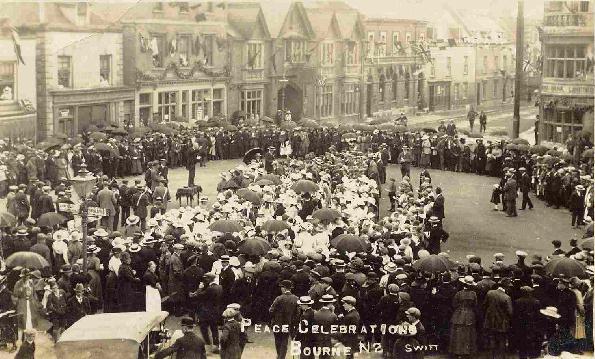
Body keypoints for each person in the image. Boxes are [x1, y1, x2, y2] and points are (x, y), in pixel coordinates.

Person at [269, 279, 299, 359]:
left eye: (281, 287)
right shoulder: (296, 298)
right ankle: (281, 356)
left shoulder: (279, 298)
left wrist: (274, 318)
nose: (281, 289)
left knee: (278, 340)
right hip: (289, 323)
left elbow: (271, 310)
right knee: (284, 341)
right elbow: (298, 313)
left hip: (277, 323)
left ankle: (279, 356)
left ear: (284, 288)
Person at [449, 276, 478, 357]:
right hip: (470, 315)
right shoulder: (473, 294)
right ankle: (467, 351)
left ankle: (458, 351)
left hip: (458, 315)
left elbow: (454, 304)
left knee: (458, 334)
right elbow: (475, 305)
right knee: (469, 334)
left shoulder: (459, 293)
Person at [483, 282, 512, 359]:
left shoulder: (490, 293)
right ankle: (502, 357)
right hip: (502, 322)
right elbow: (510, 312)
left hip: (490, 320)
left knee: (492, 338)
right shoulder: (506, 297)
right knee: (502, 340)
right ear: (505, 287)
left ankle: (492, 356)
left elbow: (484, 305)